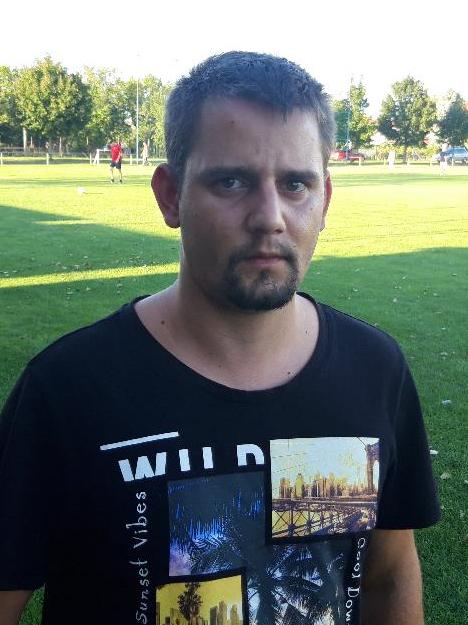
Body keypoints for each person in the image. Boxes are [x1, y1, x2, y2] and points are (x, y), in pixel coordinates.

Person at [0, 52, 440, 625]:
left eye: (296, 184)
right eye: (231, 181)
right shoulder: (68, 389)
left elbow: (388, 574)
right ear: (170, 196)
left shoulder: (374, 368)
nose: (270, 216)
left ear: (325, 199)